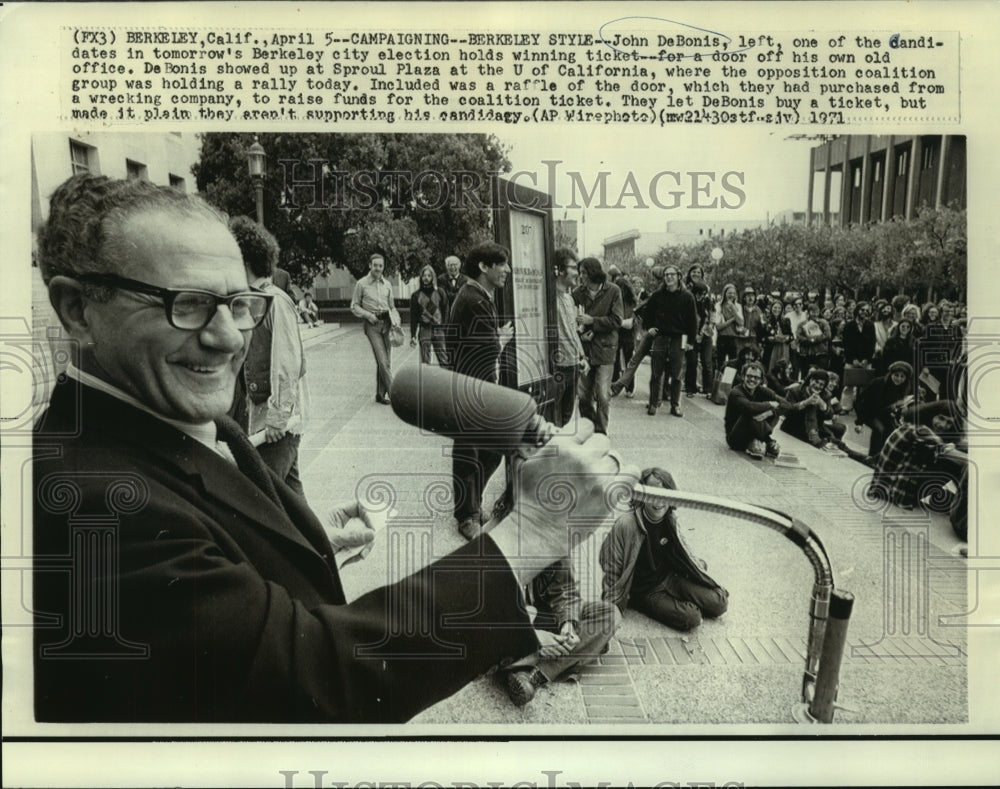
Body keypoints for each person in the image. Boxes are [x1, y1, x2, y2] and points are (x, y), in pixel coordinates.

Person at [31, 173, 628, 723]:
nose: (225, 338)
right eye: (185, 304)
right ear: (78, 310)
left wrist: (303, 545)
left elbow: (217, 596)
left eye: (240, 305)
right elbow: (312, 681)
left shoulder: (170, 411)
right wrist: (533, 533)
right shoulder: (89, 503)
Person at [230, 215, 308, 497]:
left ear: (245, 259)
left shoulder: (275, 300)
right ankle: (317, 541)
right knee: (290, 497)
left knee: (262, 496)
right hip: (266, 418)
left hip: (277, 422)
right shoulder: (253, 298)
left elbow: (287, 362)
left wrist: (277, 416)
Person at [600, 468, 728, 632]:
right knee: (692, 618)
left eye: (664, 495)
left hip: (671, 577)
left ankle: (684, 598)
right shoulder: (626, 524)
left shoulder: (671, 520)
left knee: (720, 602)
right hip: (646, 590)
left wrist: (698, 571)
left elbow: (685, 551)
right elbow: (611, 566)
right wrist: (612, 606)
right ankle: (644, 604)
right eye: (652, 495)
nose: (658, 501)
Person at [447, 241, 514, 540]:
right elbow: (485, 350)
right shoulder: (474, 298)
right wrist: (499, 339)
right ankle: (466, 516)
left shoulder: (478, 295)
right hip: (472, 390)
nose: (507, 270)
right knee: (468, 454)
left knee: (491, 451)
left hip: (478, 387)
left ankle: (472, 505)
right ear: (484, 267)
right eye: (501, 264)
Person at [500, 557, 618, 707]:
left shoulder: (553, 541)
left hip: (542, 615)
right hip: (511, 629)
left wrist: (568, 625)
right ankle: (537, 667)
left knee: (610, 613)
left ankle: (533, 672)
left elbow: (566, 593)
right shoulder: (497, 548)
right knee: (595, 641)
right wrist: (534, 640)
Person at [869, 401, 967, 510]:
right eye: (941, 418)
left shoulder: (917, 425)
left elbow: (954, 444)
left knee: (950, 458)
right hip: (895, 492)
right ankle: (957, 508)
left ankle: (947, 501)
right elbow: (950, 452)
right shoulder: (921, 431)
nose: (943, 425)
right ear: (930, 413)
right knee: (954, 466)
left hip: (883, 487)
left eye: (949, 423)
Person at [574, 257, 623, 435]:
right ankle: (589, 429)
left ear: (593, 273)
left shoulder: (613, 290)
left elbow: (617, 320)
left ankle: (601, 433)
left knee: (603, 395)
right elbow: (573, 320)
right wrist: (581, 331)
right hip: (585, 351)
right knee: (584, 396)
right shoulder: (577, 293)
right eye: (580, 273)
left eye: (584, 273)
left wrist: (592, 321)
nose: (581, 277)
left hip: (605, 350)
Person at [643, 265, 697, 417]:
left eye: (672, 274)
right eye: (666, 275)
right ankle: (653, 404)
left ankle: (675, 405)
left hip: (678, 338)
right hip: (660, 337)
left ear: (679, 276)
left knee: (677, 374)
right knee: (656, 373)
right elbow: (647, 315)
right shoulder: (657, 295)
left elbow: (693, 321)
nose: (669, 277)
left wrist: (690, 342)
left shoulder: (687, 297)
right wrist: (649, 328)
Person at [350, 251, 399, 404]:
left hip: (387, 324)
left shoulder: (388, 284)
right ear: (370, 265)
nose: (378, 268)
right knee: (383, 361)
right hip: (372, 325)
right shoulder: (361, 284)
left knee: (385, 361)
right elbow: (354, 306)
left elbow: (392, 306)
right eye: (375, 265)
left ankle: (380, 394)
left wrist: (396, 319)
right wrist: (368, 315)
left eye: (381, 266)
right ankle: (394, 394)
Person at [724, 360, 793, 459]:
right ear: (743, 377)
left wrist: (771, 412)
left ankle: (757, 441)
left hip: (754, 430)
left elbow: (787, 405)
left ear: (761, 380)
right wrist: (769, 404)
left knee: (773, 412)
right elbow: (749, 407)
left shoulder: (761, 390)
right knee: (750, 411)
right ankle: (768, 441)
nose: (752, 380)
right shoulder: (735, 392)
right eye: (749, 376)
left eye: (756, 377)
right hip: (735, 438)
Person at [551, 248, 588, 428]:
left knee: (566, 418)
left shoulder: (569, 298)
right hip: (557, 367)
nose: (577, 273)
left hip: (573, 366)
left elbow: (573, 331)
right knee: (553, 419)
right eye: (573, 268)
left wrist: (582, 357)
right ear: (559, 269)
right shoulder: (549, 298)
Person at [854, 360, 914, 458]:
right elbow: (863, 403)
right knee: (879, 429)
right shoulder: (878, 383)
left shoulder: (905, 388)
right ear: (891, 374)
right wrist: (860, 422)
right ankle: (872, 456)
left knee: (893, 432)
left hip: (886, 415)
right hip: (870, 412)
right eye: (896, 375)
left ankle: (882, 456)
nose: (898, 379)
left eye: (902, 376)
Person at [780, 368, 838, 449]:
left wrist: (822, 404)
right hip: (794, 427)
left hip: (816, 429)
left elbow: (830, 415)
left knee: (839, 441)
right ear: (810, 380)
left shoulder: (826, 395)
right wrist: (806, 402)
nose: (818, 386)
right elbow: (786, 411)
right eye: (816, 382)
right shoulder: (795, 391)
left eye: (821, 384)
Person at [408, 264, 449, 366]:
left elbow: (446, 311)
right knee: (425, 361)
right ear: (421, 277)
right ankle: (426, 382)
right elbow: (413, 317)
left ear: (433, 277)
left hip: (439, 329)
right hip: (424, 329)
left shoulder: (440, 292)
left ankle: (446, 381)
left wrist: (445, 327)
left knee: (444, 359)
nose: (426, 278)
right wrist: (413, 335)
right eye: (424, 276)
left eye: (429, 276)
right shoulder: (416, 295)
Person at [684, 264, 715, 398]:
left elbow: (711, 318)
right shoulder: (687, 296)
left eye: (698, 272)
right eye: (693, 272)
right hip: (691, 334)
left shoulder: (708, 300)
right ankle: (690, 387)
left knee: (707, 362)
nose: (700, 296)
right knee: (691, 361)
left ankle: (708, 389)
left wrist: (702, 333)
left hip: (705, 334)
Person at [608, 265, 638, 398]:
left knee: (616, 360)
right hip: (627, 334)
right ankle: (629, 388)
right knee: (629, 361)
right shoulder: (632, 302)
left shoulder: (617, 300)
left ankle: (615, 385)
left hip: (619, 332)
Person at [795, 301, 831, 379]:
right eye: (812, 312)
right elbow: (798, 337)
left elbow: (827, 335)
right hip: (806, 354)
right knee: (805, 376)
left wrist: (814, 339)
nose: (815, 314)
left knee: (821, 375)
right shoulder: (801, 324)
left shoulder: (823, 323)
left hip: (821, 353)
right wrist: (809, 340)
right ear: (807, 312)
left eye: (817, 312)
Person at [715, 283, 743, 372]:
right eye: (729, 293)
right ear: (725, 294)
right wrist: (733, 319)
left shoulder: (738, 306)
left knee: (733, 364)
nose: (731, 295)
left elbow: (741, 322)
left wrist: (734, 310)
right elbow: (718, 326)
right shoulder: (719, 306)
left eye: (733, 293)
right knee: (720, 364)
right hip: (722, 338)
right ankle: (719, 384)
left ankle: (732, 384)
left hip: (734, 338)